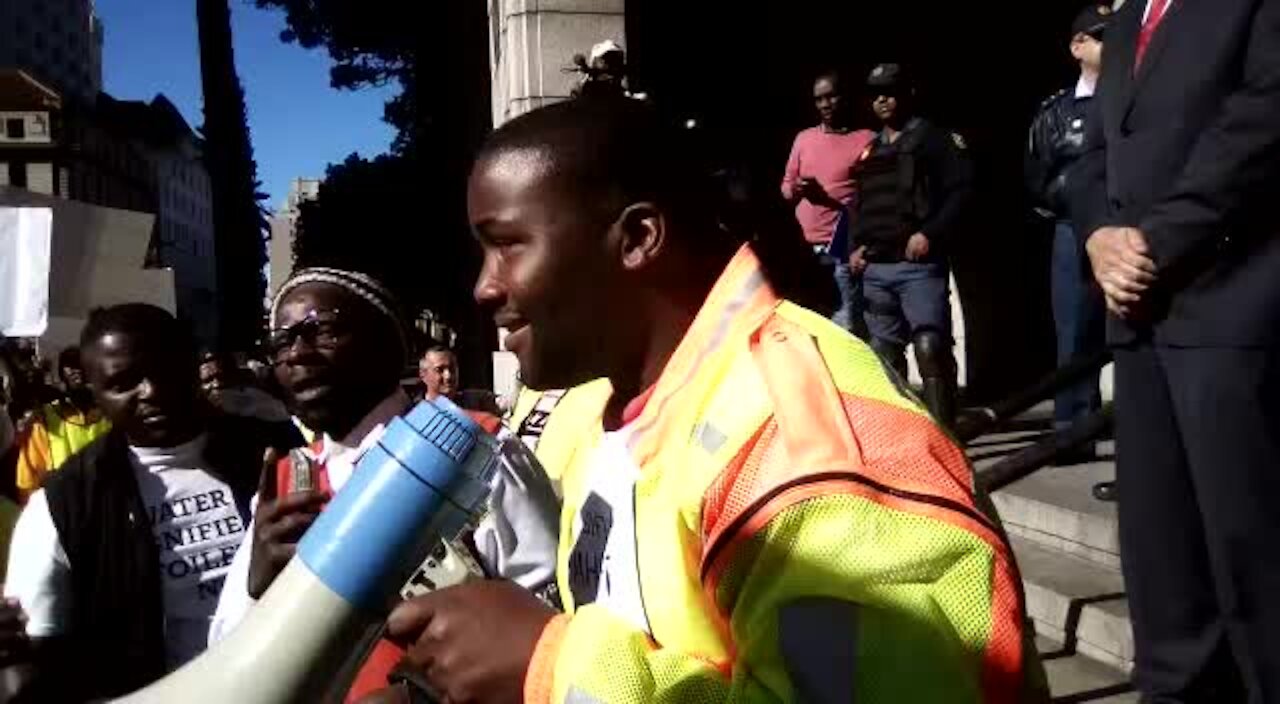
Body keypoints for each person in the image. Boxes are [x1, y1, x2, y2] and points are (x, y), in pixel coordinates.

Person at [378, 97, 1041, 703]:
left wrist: (551, 666)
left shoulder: (801, 437)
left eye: (507, 245)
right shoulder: (599, 411)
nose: (483, 288)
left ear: (638, 238)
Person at [209, 267, 558, 702]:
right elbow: (226, 668)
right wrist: (256, 593)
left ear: (393, 346)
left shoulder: (477, 451)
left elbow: (550, 636)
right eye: (282, 342)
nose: (297, 353)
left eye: (321, 331)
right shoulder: (281, 488)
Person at [1069, 0, 1280, 699]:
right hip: (1138, 320)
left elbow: (1260, 126)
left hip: (1229, 306)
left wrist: (1156, 240)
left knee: (1251, 553)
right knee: (1164, 565)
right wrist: (1099, 232)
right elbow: (1097, 150)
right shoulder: (1128, 22)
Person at [0, 304, 302, 702]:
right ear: (95, 391)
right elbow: (38, 658)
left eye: (164, 370)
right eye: (124, 383)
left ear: (192, 365)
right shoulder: (62, 505)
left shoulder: (274, 454)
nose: (151, 392)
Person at [847, 63, 973, 428]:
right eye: (875, 94)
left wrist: (930, 233)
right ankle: (907, 437)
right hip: (876, 269)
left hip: (917, 266)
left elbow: (961, 192)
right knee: (883, 356)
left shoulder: (935, 139)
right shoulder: (870, 151)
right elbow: (860, 206)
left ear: (907, 93)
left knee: (930, 348)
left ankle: (946, 435)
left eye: (890, 90)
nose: (882, 99)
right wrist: (856, 247)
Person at [1025, 6, 1111, 463]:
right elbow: (1037, 173)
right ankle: (1072, 428)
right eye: (1100, 37)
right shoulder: (1055, 111)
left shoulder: (1131, 98)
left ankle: (1124, 426)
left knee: (1124, 334)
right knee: (1075, 332)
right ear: (1078, 46)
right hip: (1071, 231)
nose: (1112, 45)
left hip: (1127, 228)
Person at [781, 70, 876, 337]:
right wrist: (796, 188)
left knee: (843, 329)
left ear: (844, 97)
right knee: (803, 329)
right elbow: (785, 187)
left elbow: (874, 196)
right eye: (818, 99)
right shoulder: (803, 138)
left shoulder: (866, 139)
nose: (824, 104)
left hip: (841, 251)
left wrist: (830, 200)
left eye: (830, 97)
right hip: (803, 250)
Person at [13, 347, 112, 501]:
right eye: (70, 365)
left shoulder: (112, 413)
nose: (77, 370)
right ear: (61, 374)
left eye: (81, 364)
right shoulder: (44, 419)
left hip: (108, 507)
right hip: (63, 511)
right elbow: (28, 481)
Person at [198, 350, 290, 423]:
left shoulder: (251, 396)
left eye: (221, 377)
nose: (216, 384)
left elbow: (284, 414)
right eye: (208, 381)